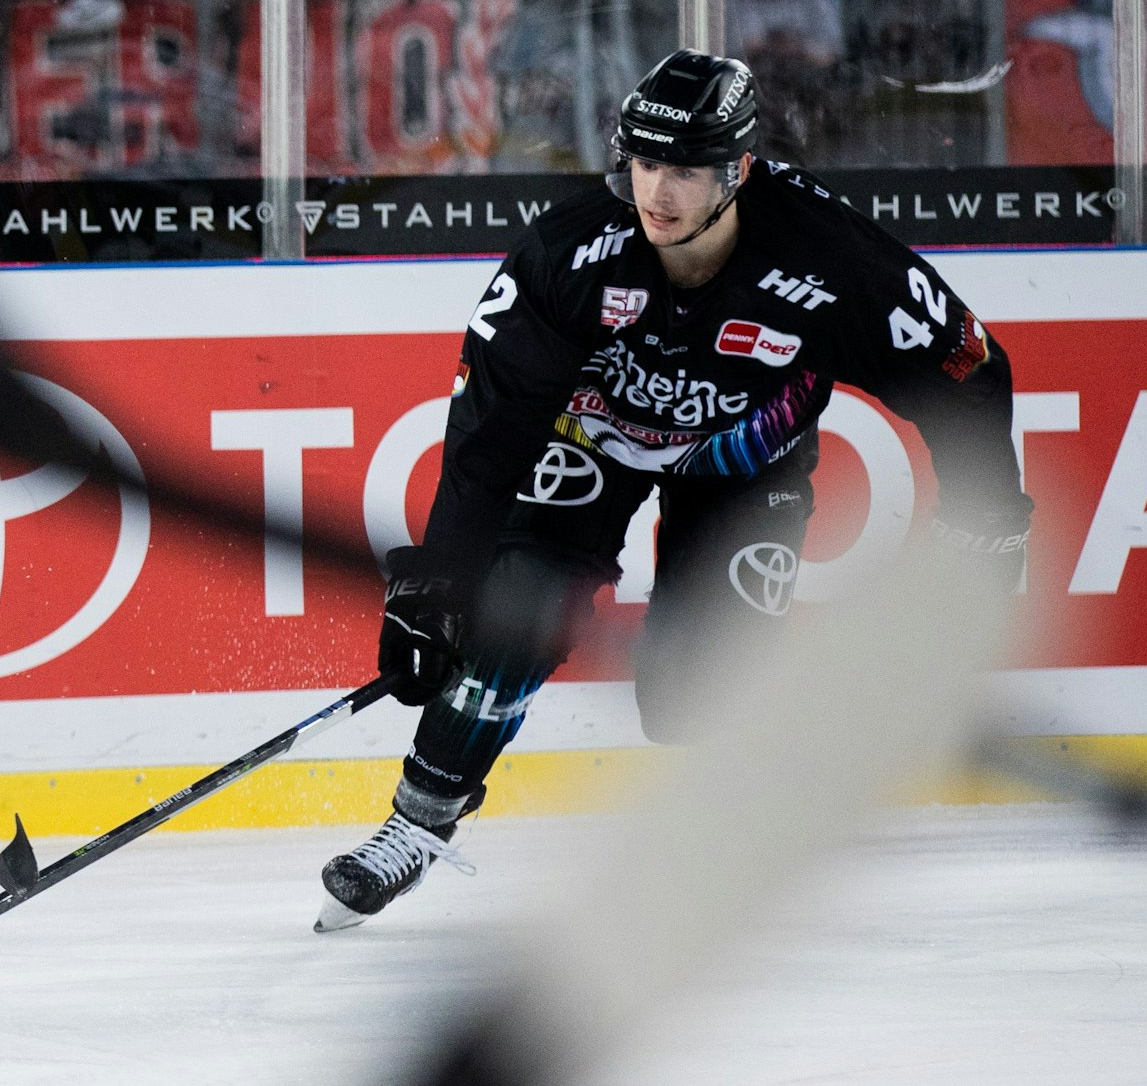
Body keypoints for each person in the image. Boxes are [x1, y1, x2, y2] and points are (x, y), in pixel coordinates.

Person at [315, 48, 1031, 931]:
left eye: (687, 170)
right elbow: (488, 438)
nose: (658, 191)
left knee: (690, 695)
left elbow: (969, 368)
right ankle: (415, 828)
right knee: (521, 610)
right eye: (647, 163)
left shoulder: (831, 261)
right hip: (593, 442)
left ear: (738, 169)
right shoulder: (569, 253)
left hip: (745, 463)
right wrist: (435, 585)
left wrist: (991, 512)